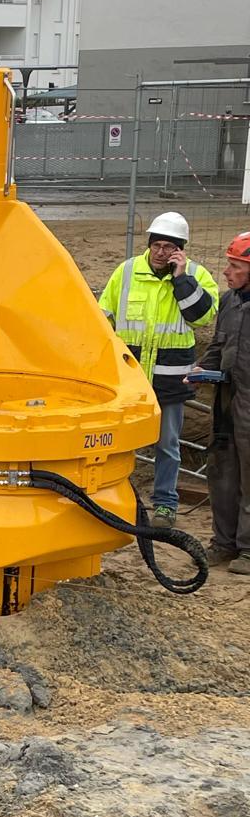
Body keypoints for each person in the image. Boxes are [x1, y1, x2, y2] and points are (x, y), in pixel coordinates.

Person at [99, 211, 219, 523]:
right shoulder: (126, 272)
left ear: (180, 250)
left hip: (170, 381)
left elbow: (201, 317)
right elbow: (102, 317)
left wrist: (181, 280)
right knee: (122, 442)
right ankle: (119, 499)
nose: (161, 252)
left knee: (168, 446)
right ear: (149, 244)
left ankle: (165, 504)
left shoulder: (196, 276)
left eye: (169, 247)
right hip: (129, 379)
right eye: (157, 245)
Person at [192, 232, 250, 572]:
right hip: (226, 402)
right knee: (222, 471)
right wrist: (203, 369)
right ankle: (223, 542)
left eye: (235, 266)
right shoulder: (229, 302)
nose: (226, 272)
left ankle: (247, 550)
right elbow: (218, 345)